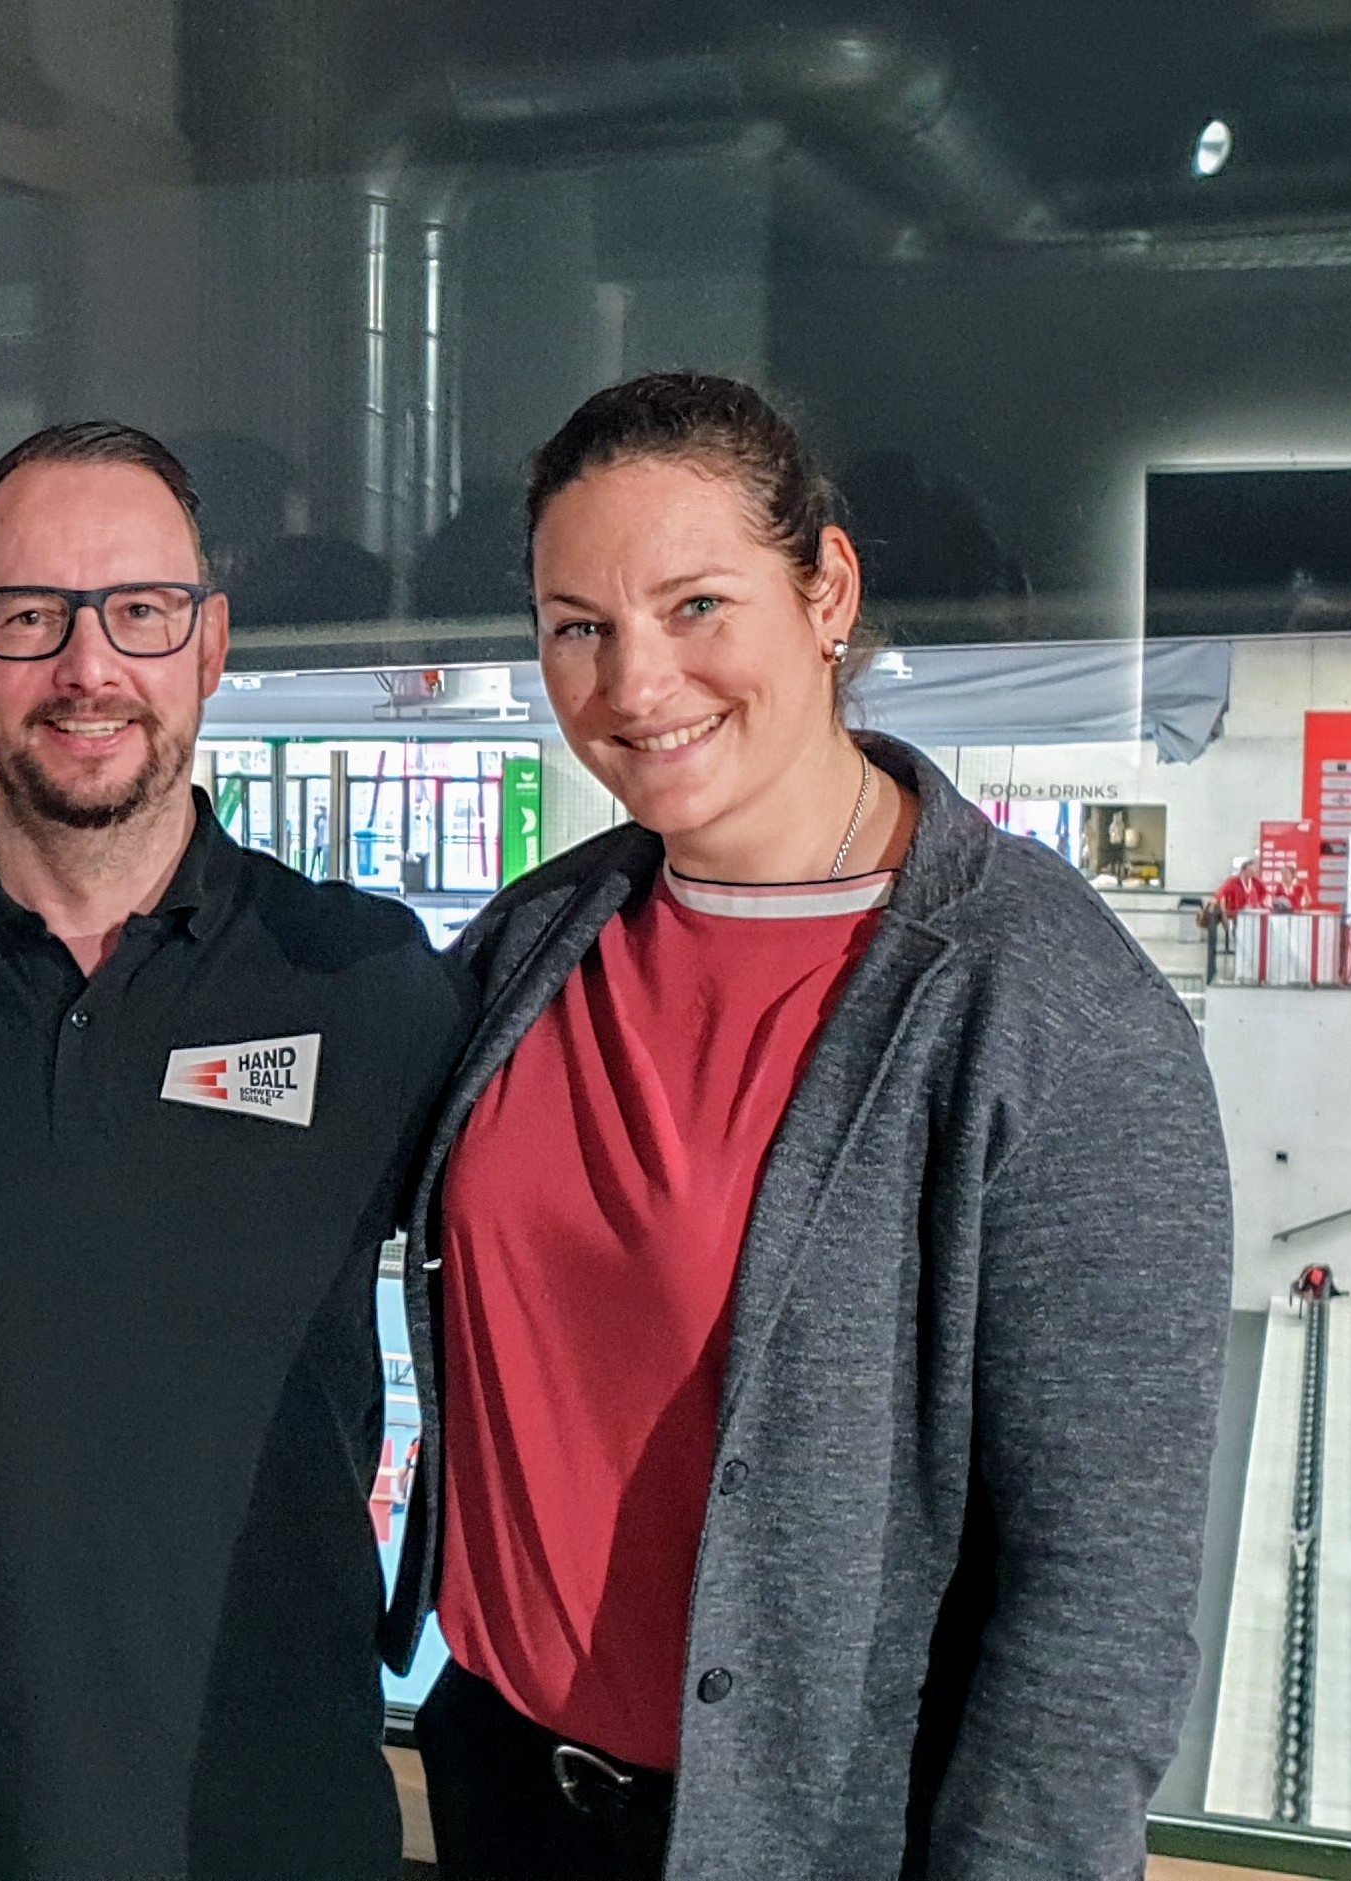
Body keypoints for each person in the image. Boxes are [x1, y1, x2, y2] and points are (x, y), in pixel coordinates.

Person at [385, 374, 1228, 1876]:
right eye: (578, 626)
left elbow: (1096, 1601)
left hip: (783, 1840)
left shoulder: (1043, 1016)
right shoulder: (537, 939)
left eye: (695, 605)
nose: (634, 686)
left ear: (824, 588)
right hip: (492, 1777)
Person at [0, 421, 469, 1880]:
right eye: (29, 617)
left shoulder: (362, 984)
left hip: (272, 1826)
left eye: (137, 613)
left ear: (207, 646)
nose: (87, 666)